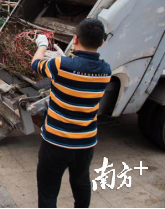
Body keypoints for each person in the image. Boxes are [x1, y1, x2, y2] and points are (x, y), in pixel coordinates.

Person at [32, 19, 112, 208]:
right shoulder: (106, 70)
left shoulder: (61, 65)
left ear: (75, 38)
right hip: (85, 142)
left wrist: (42, 44)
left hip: (55, 142)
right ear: (102, 42)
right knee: (81, 182)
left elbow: (36, 63)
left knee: (48, 191)